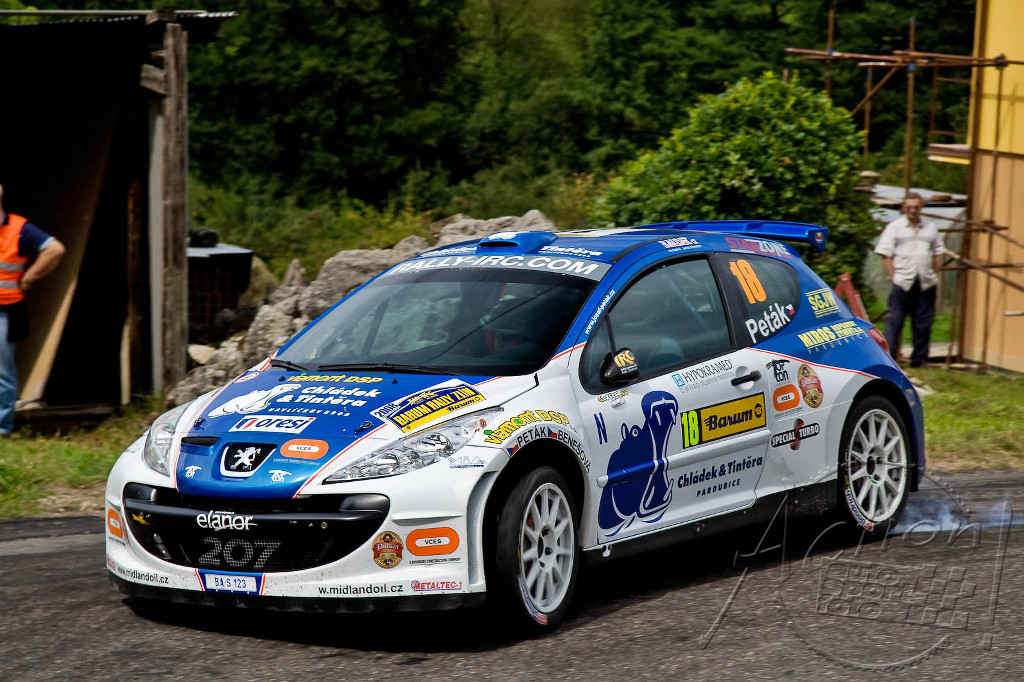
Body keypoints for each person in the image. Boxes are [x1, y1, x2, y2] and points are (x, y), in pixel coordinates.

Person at [0, 184, 65, 436]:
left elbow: (55, 249)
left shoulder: (19, 229)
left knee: (2, 372)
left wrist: (29, 277)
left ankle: (2, 428)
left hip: (6, 310)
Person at [874, 192, 945, 368]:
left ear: (921, 208)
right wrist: (894, 276)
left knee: (923, 323)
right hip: (902, 281)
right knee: (895, 321)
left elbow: (937, 252)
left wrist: (935, 274)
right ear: (904, 208)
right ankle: (889, 360)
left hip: (925, 282)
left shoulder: (930, 227)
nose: (913, 210)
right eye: (909, 207)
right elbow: (885, 254)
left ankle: (919, 360)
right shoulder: (894, 227)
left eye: (916, 207)